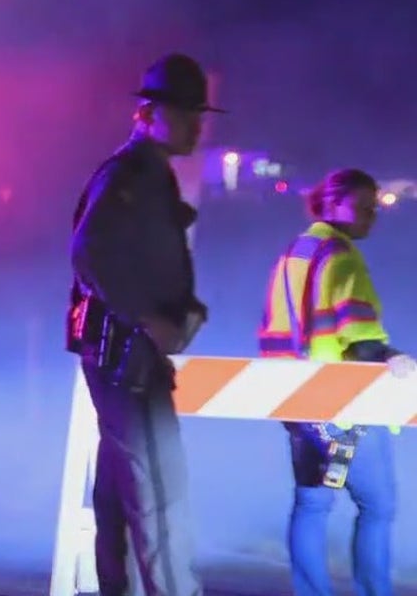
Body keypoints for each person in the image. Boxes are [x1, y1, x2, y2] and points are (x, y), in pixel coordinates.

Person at [67, 53, 220, 596]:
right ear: (149, 114)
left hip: (124, 354)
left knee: (121, 495)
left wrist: (179, 311)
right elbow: (90, 251)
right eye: (184, 112)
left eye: (199, 113)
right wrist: (148, 317)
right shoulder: (131, 175)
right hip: (126, 357)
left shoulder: (148, 175)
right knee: (160, 493)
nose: (196, 125)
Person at [257, 168, 417, 596]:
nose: (371, 216)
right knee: (378, 506)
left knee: (312, 503)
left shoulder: (294, 252)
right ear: (332, 204)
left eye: (373, 208)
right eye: (362, 207)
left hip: (293, 396)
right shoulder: (342, 255)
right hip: (343, 401)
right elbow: (360, 337)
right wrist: (392, 356)